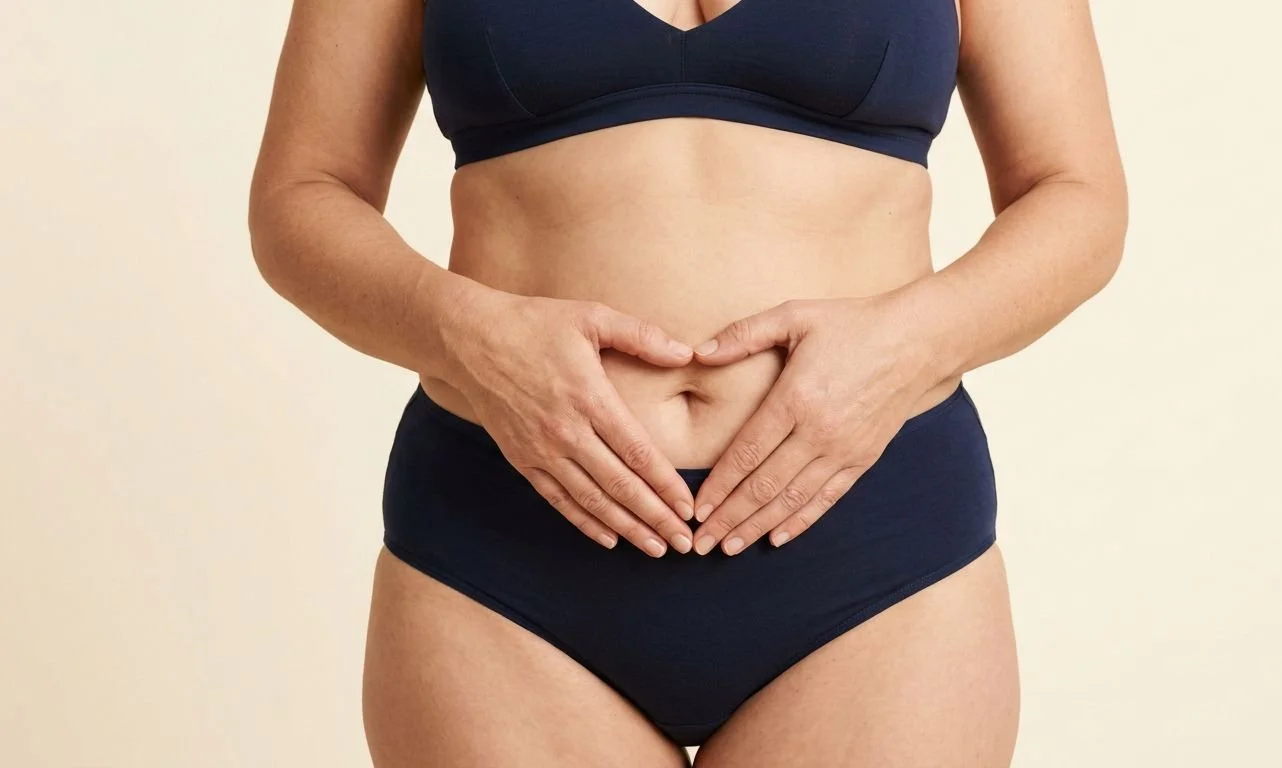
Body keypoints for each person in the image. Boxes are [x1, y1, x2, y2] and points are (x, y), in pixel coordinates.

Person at [247, 0, 1127, 764]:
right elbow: (300, 195)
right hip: (506, 549)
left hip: (873, 549)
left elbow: (1077, 193)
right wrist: (466, 335)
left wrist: (905, 345)